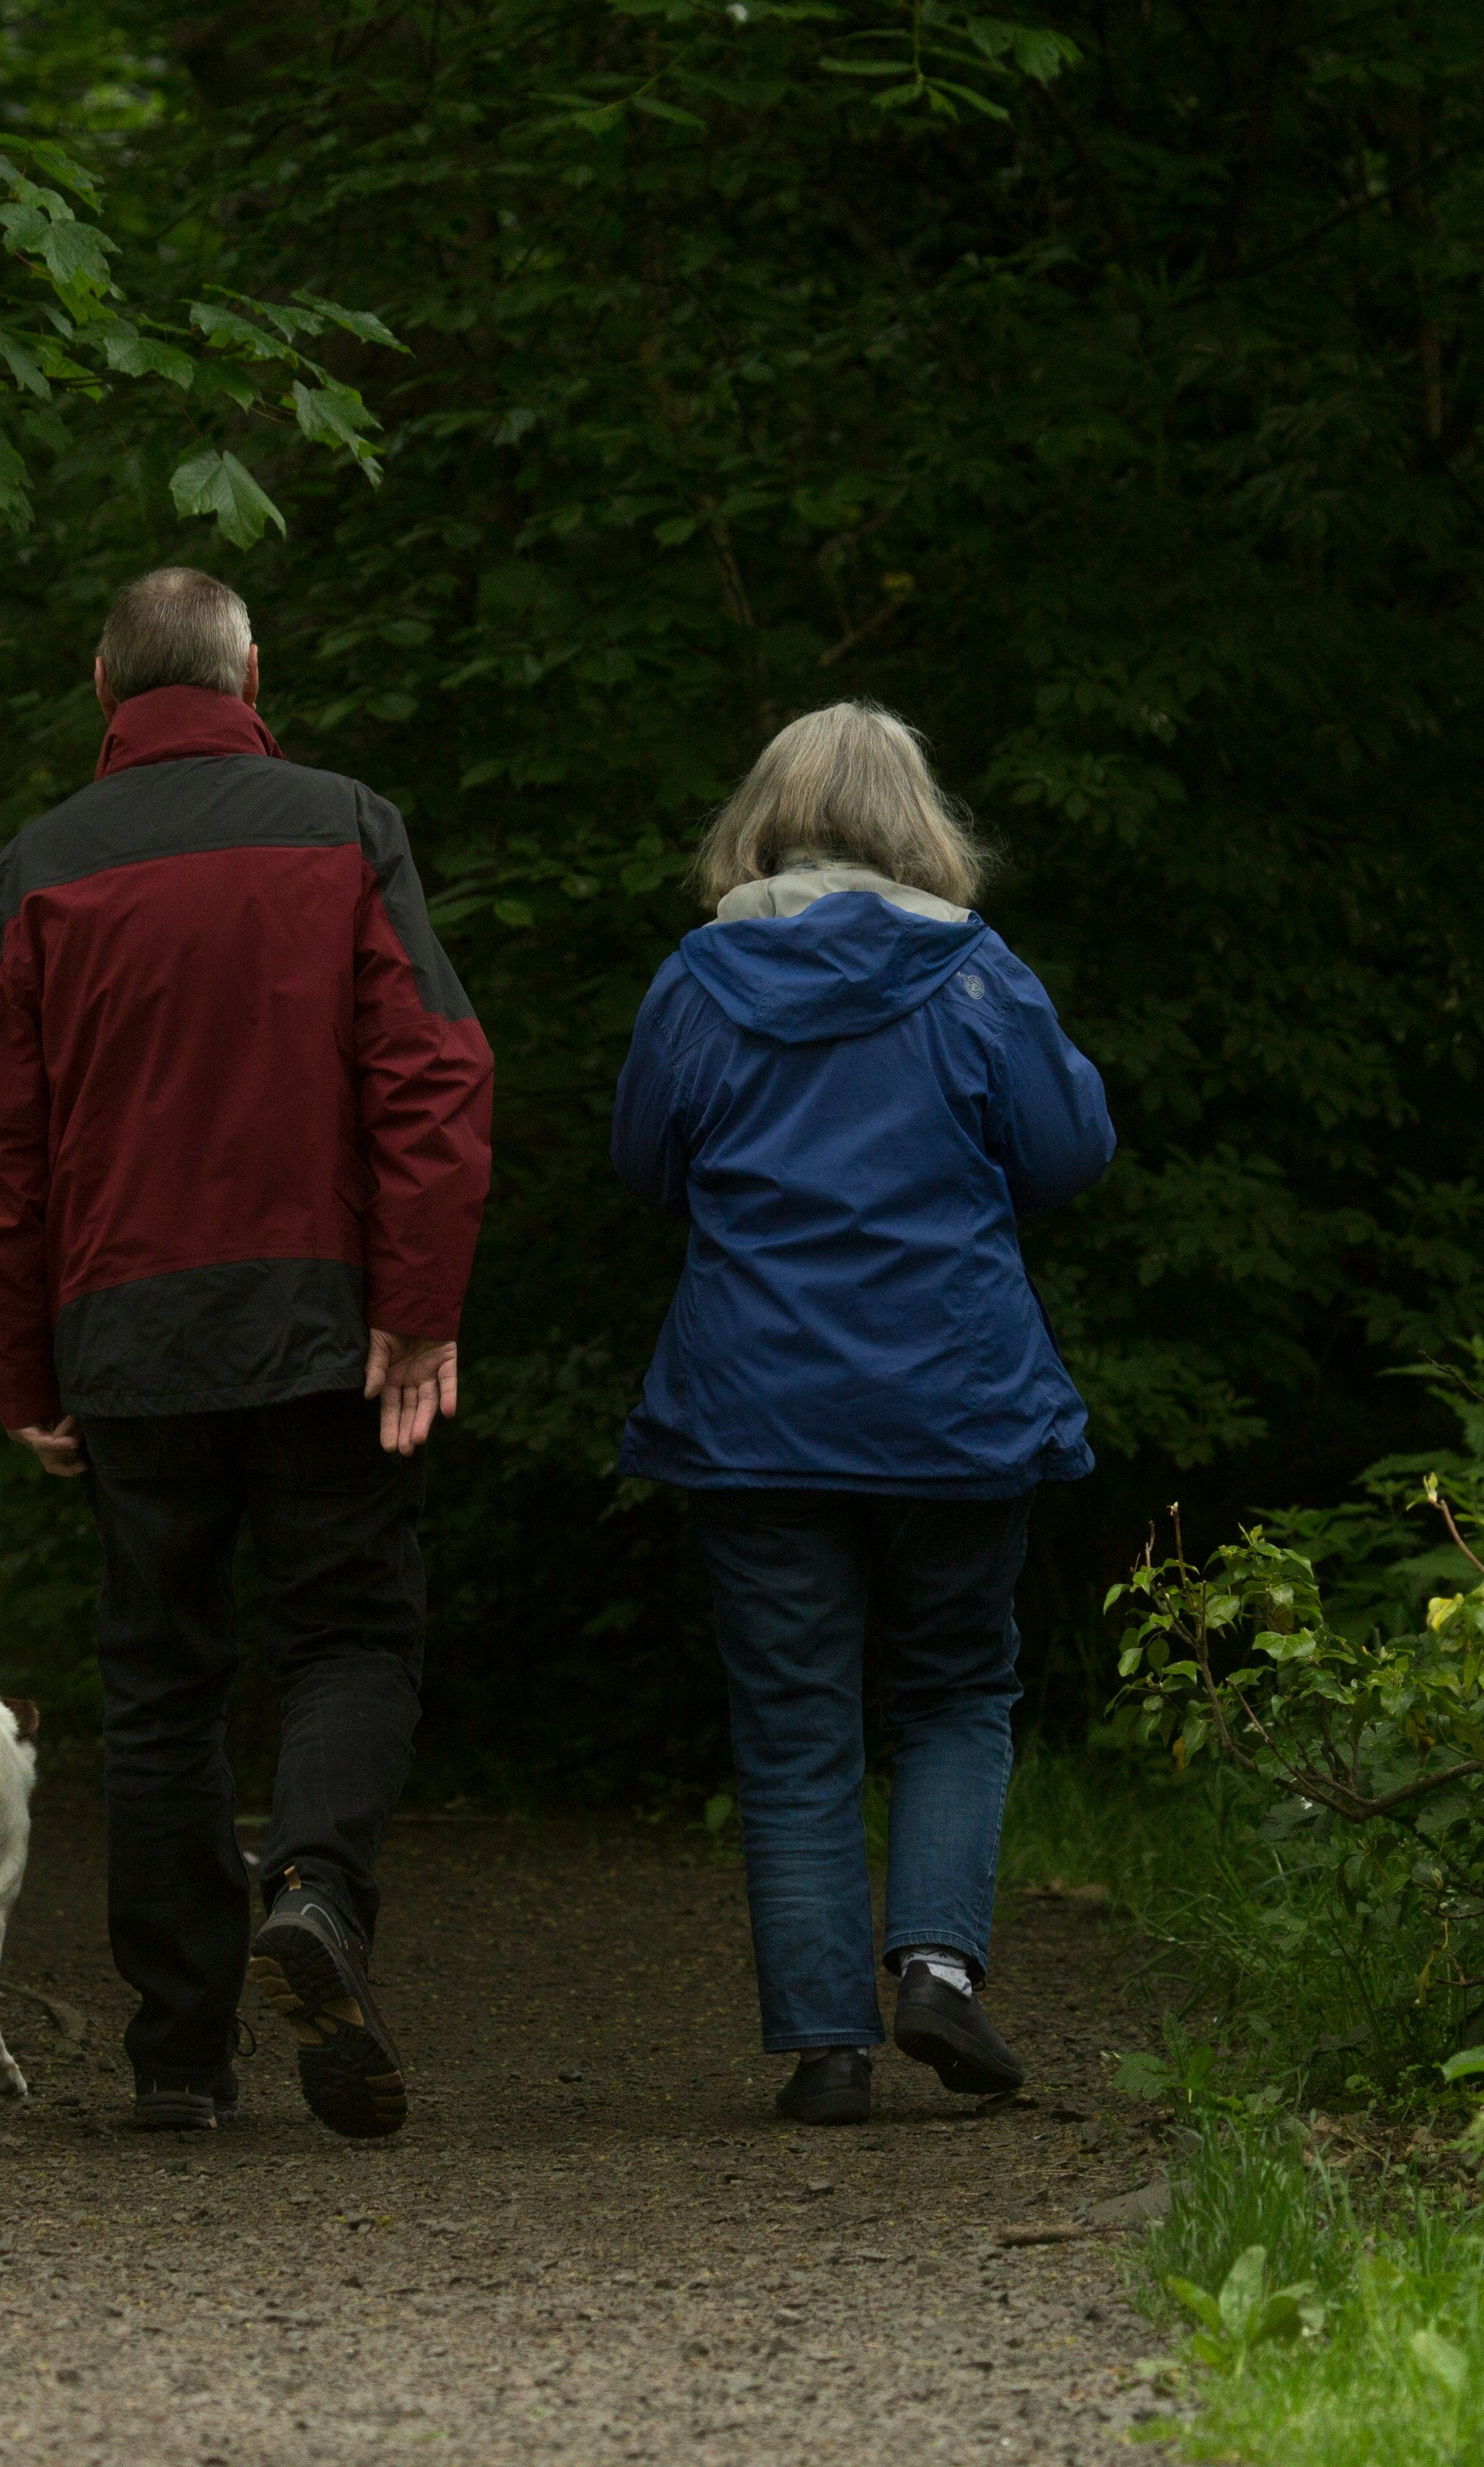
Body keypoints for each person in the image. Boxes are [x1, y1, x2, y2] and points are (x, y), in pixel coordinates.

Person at [0, 567, 492, 2138]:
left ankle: (181, 2055)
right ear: (254, 667)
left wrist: (18, 1371)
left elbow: (0, 1150)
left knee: (161, 1684)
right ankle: (314, 1891)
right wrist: (420, 1302)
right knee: (350, 1638)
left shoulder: (42, 864)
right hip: (324, 1320)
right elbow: (434, 1078)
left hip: (128, 1335)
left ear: (99, 682)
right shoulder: (343, 825)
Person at [612, 702, 1114, 2125]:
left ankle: (826, 2049)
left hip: (756, 1406)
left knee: (792, 1725)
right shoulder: (977, 976)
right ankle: (941, 1972)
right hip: (953, 1398)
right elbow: (1071, 1152)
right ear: (917, 823)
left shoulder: (699, 983)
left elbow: (645, 1162)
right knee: (957, 1687)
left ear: (764, 822)